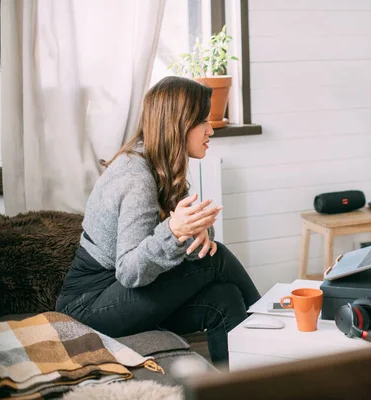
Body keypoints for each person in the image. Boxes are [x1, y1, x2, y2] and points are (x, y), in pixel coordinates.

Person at [55, 76, 261, 365]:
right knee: (217, 259)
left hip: (118, 296)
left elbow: (181, 229)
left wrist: (196, 230)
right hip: (90, 306)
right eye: (202, 120)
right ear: (178, 125)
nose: (210, 129)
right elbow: (128, 271)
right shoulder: (137, 178)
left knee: (224, 298)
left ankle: (243, 384)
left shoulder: (161, 164)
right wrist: (175, 232)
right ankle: (272, 324)